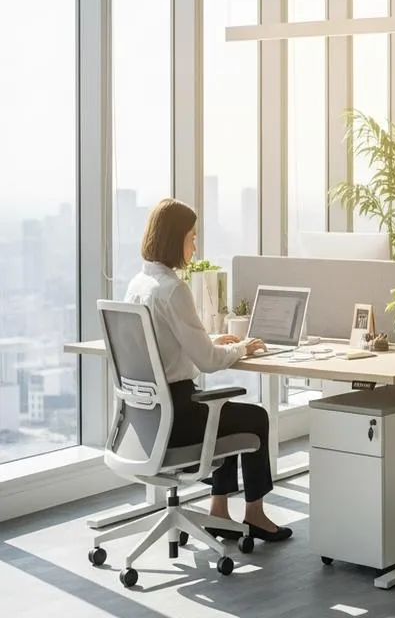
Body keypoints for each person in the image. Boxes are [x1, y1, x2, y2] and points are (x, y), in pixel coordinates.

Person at [125, 199, 291, 542]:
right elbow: (208, 362)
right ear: (175, 240)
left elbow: (167, 339)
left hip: (147, 419)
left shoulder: (139, 285)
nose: (195, 245)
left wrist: (214, 338)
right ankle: (255, 515)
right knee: (253, 417)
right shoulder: (173, 289)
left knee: (220, 412)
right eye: (192, 237)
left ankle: (218, 512)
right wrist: (241, 348)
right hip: (178, 419)